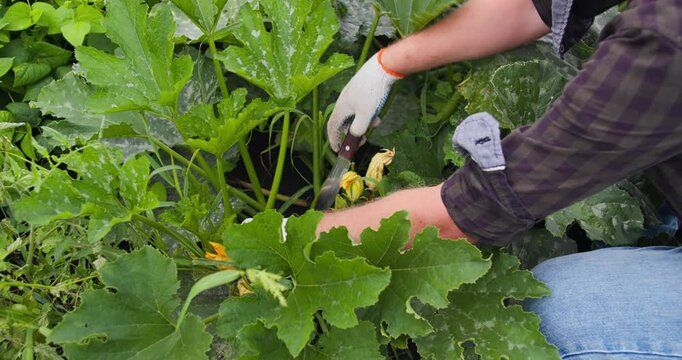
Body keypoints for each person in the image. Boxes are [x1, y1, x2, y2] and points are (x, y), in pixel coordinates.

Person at [317, 0, 682, 358]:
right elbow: (537, 4)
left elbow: (467, 211)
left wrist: (294, 238)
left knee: (558, 313)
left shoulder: (663, 42)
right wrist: (388, 64)